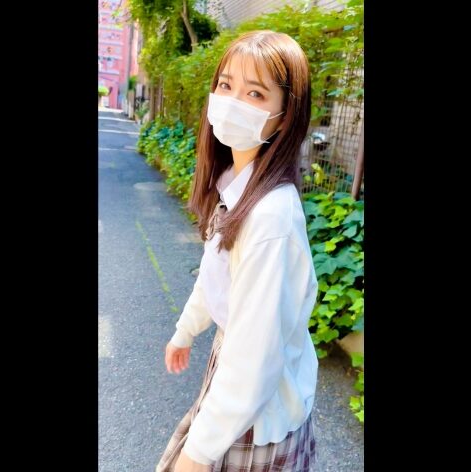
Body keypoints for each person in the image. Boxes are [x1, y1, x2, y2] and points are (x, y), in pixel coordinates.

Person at [156, 30, 319, 472]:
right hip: (240, 391)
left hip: (257, 414)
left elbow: (254, 361)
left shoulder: (270, 218)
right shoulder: (235, 184)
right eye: (226, 85)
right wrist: (186, 330)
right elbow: (216, 272)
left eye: (255, 93)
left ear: (284, 118)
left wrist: (195, 457)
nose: (231, 103)